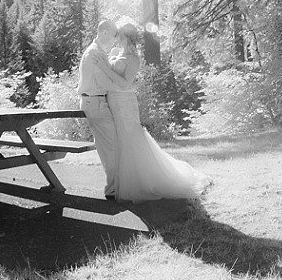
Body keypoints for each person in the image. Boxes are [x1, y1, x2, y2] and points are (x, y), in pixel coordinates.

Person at [88, 21, 210, 202]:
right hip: (112, 101)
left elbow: (124, 83)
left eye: (119, 36)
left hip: (125, 103)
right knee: (118, 141)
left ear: (127, 38)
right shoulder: (116, 53)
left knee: (130, 137)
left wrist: (105, 67)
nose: (116, 39)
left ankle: (140, 182)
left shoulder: (134, 59)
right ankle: (119, 183)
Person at [77, 19, 130, 201]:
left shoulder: (97, 51)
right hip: (95, 104)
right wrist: (126, 86)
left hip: (95, 102)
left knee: (108, 147)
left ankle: (114, 188)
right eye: (115, 34)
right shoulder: (94, 53)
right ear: (105, 32)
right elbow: (105, 83)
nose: (116, 39)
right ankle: (113, 191)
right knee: (112, 147)